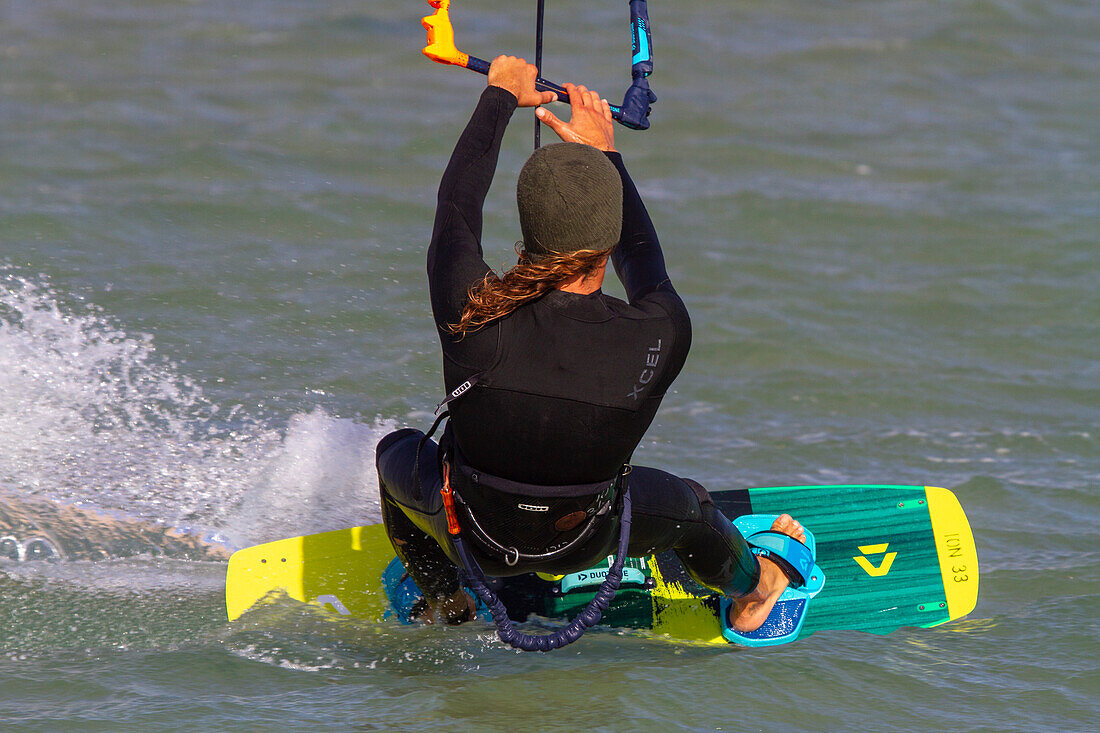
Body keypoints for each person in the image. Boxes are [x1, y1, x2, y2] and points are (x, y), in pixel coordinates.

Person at [376, 55, 806, 633]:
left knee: (393, 454)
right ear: (608, 242)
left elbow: (455, 208)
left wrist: (499, 96)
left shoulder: (469, 310)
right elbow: (646, 263)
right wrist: (607, 156)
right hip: (589, 539)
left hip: (470, 537)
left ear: (528, 228)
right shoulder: (660, 333)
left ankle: (448, 598)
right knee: (692, 508)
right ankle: (755, 593)